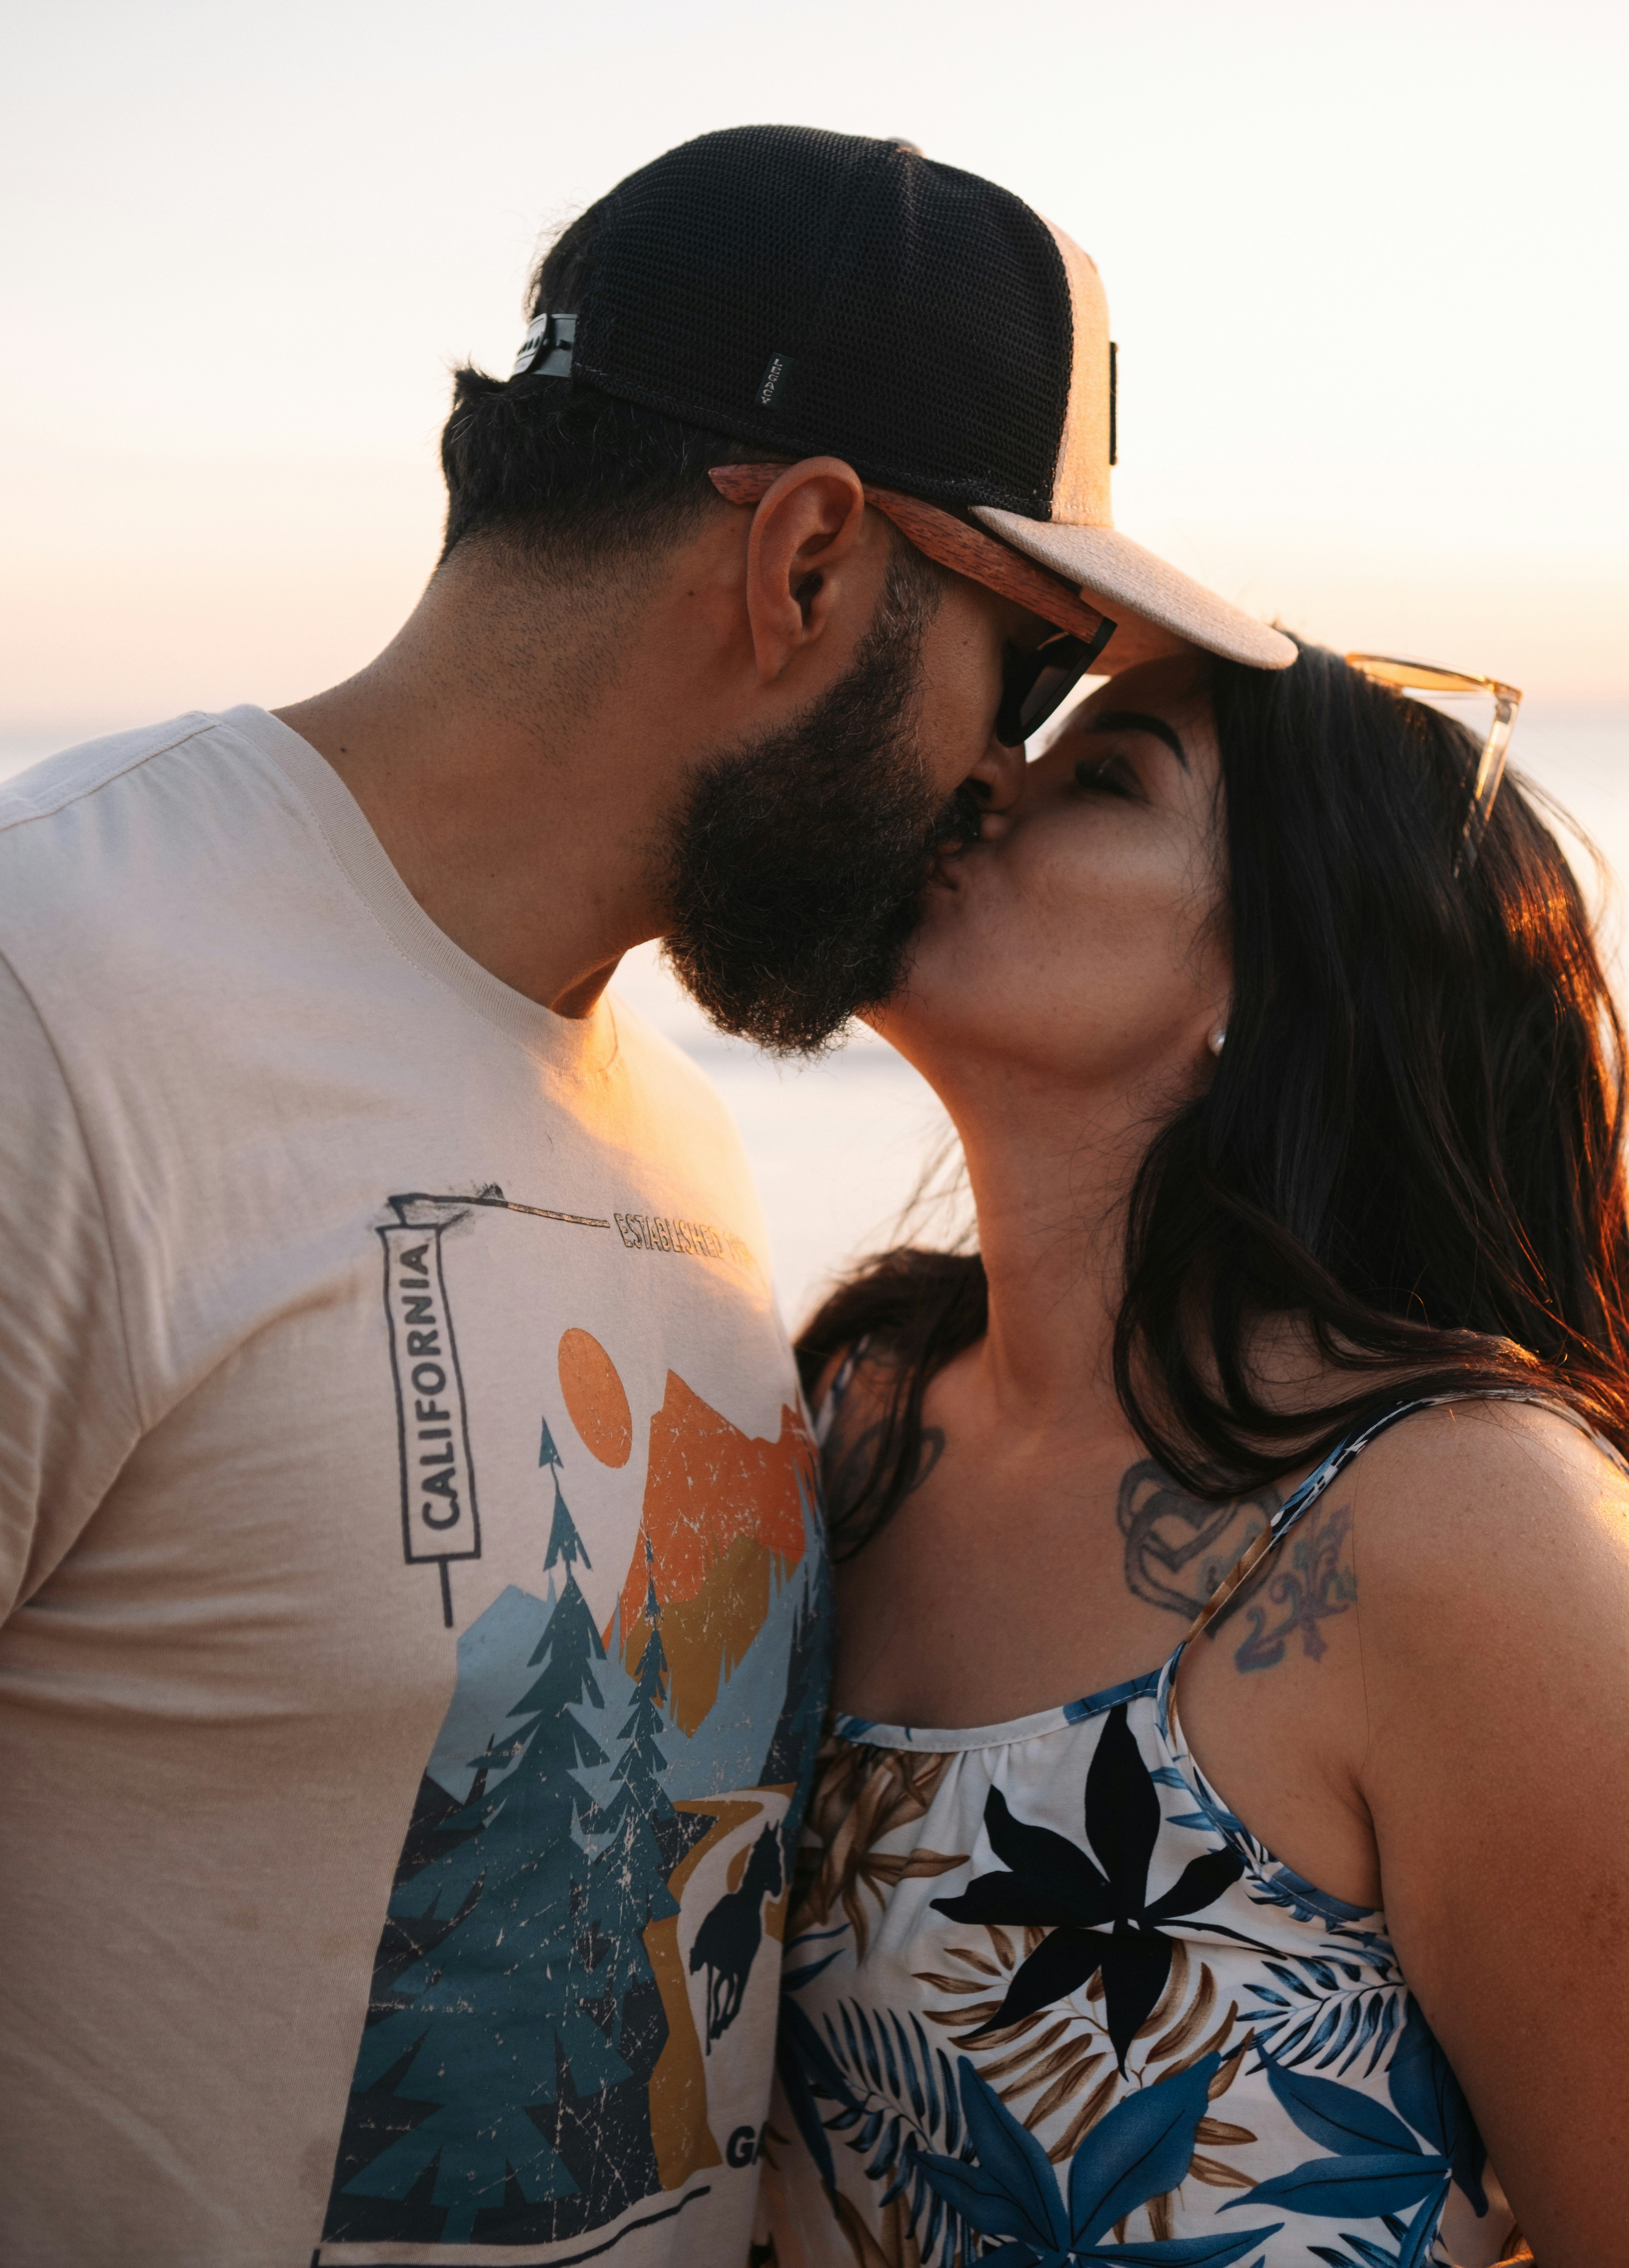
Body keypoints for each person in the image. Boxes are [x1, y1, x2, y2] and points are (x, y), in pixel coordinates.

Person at [0, 126, 1291, 2267]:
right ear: (803, 564)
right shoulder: (64, 1001)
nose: (1004, 775)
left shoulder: (654, 1120)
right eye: (1031, 667)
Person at [765, 640, 1629, 2264]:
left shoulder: (1452, 1526)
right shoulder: (859, 1412)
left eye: (1101, 779)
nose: (975, 777)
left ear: (1273, 985)